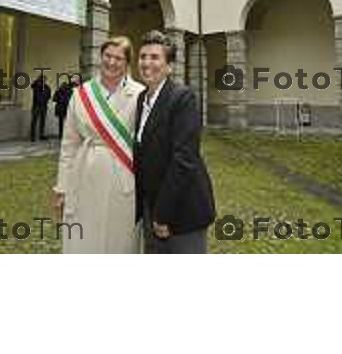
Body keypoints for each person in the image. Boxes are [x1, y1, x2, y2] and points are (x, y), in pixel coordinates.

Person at [52, 37, 144, 253]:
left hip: (124, 175)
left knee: (120, 237)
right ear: (100, 57)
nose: (112, 62)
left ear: (127, 63)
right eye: (108, 56)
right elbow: (69, 145)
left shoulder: (140, 94)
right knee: (85, 236)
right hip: (85, 173)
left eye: (118, 58)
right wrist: (61, 187)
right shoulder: (81, 94)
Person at [135, 30, 215, 254]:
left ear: (169, 66)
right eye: (143, 57)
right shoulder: (142, 98)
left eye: (154, 57)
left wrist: (162, 215)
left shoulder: (182, 98)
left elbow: (184, 160)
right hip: (153, 205)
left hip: (181, 210)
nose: (146, 63)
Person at [30, 74, 51, 141]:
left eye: (44, 80)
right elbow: (33, 86)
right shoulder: (36, 86)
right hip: (37, 106)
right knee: (34, 121)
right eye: (42, 79)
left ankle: (41, 134)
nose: (43, 81)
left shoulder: (47, 87)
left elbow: (49, 95)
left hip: (44, 106)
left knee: (42, 121)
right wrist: (37, 81)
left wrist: (45, 100)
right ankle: (32, 136)